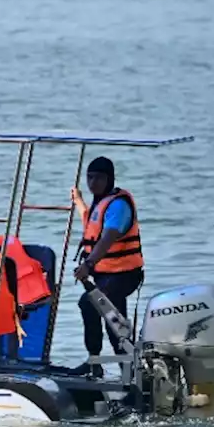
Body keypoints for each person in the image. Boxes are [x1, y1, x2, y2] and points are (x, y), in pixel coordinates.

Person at [70, 156, 144, 377]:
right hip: (106, 276)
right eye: (89, 178)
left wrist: (89, 264)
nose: (93, 183)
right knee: (115, 323)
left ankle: (99, 364)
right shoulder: (100, 202)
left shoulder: (119, 205)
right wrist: (79, 201)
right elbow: (90, 222)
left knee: (90, 305)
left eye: (99, 178)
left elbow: (107, 238)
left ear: (110, 178)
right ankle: (127, 371)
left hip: (124, 274)